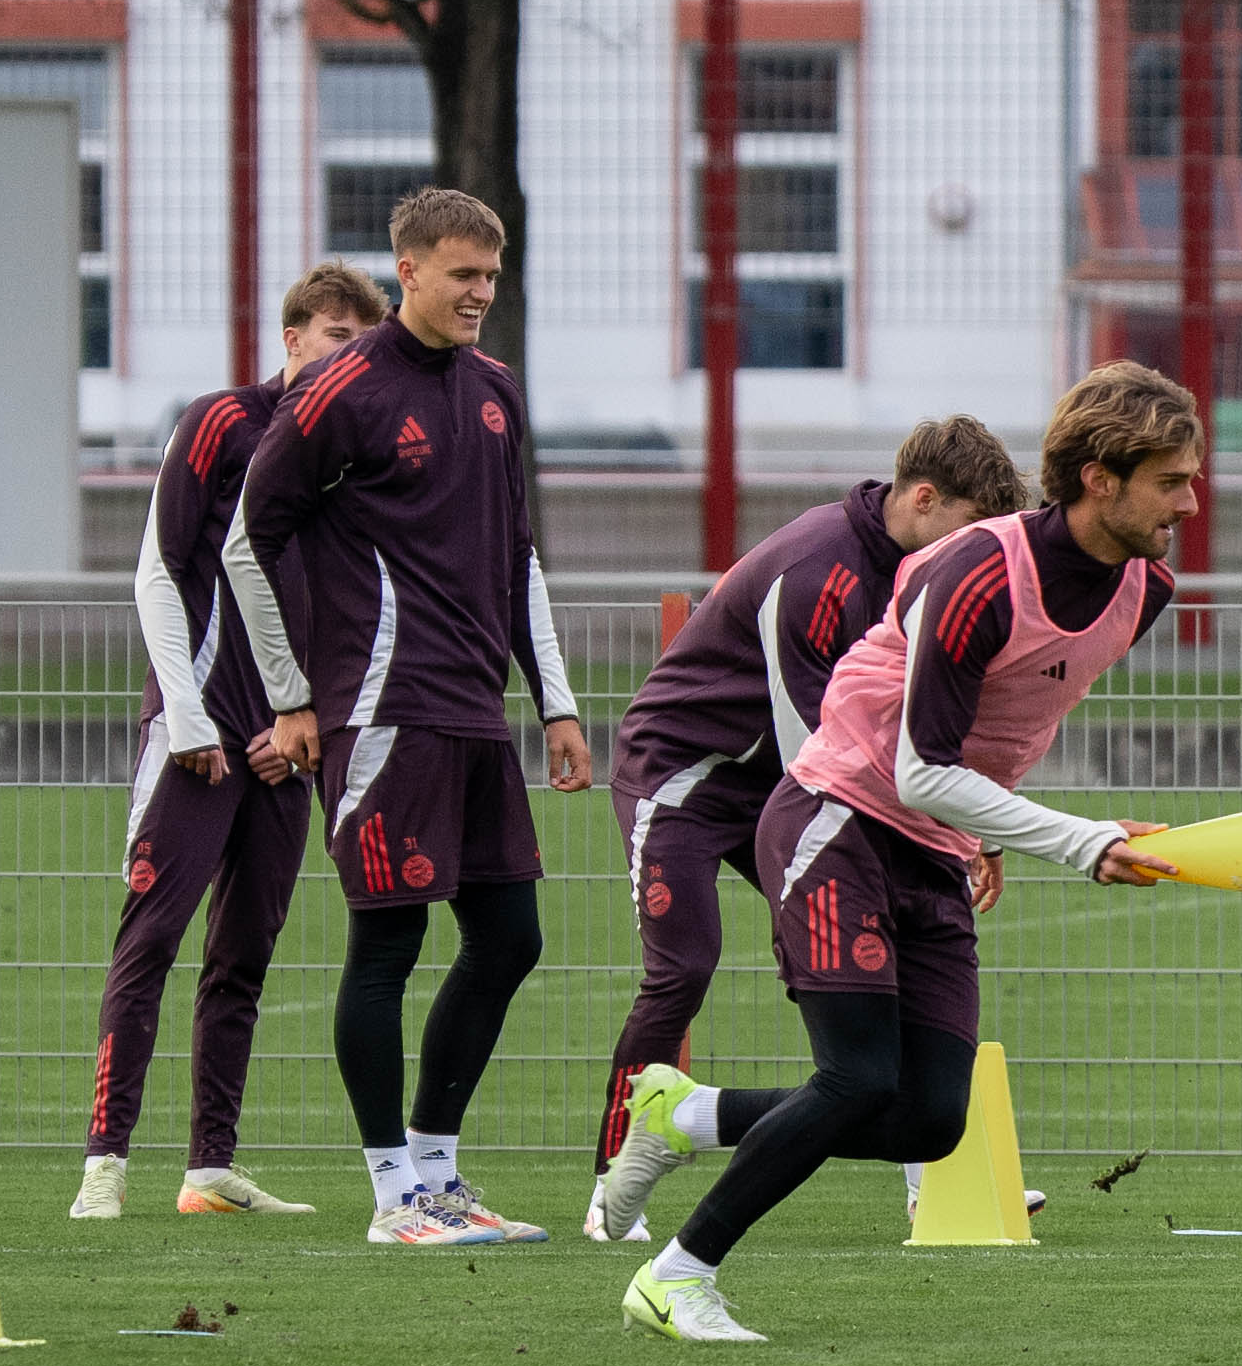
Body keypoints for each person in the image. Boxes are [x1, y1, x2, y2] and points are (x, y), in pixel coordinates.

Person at [608, 363, 1200, 1343]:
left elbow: (1009, 717)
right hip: (836, 817)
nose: (1190, 501)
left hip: (935, 837)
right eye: (1172, 480)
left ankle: (690, 1116)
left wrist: (994, 820)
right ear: (1100, 477)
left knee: (932, 1120)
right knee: (856, 1080)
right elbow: (922, 767)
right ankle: (678, 1276)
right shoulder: (976, 570)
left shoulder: (1146, 591)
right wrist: (1078, 839)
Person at [223, 188, 592, 1247]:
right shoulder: (342, 390)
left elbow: (518, 551)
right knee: (386, 945)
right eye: (462, 274)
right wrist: (293, 694)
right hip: (380, 707)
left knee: (510, 938)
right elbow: (252, 542)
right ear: (409, 269)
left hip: (475, 708)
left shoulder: (495, 390)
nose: (480, 293)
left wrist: (553, 699)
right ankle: (393, 1198)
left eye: (492, 274)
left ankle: (439, 1172)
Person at [584, 418, 1028, 1243]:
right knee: (682, 969)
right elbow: (814, 746)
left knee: (888, 952)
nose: (981, 556)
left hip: (795, 785)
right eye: (973, 532)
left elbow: (924, 722)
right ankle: (614, 1174)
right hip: (687, 779)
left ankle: (926, 1172)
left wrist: (977, 832)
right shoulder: (818, 567)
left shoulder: (930, 572)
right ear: (923, 500)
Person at [73, 262, 390, 1220]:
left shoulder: (346, 461)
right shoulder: (223, 421)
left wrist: (309, 735)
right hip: (195, 738)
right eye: (335, 339)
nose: (348, 361)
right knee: (150, 945)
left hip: (283, 753)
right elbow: (159, 575)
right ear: (292, 338)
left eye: (362, 347)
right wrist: (188, 718)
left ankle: (209, 1169)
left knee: (243, 958)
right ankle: (105, 1163)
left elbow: (351, 613)